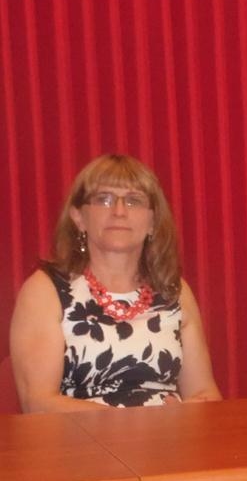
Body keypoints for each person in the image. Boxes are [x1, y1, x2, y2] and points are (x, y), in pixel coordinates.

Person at [10, 153, 222, 411]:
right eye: (104, 199)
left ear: (153, 222)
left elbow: (205, 394)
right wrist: (134, 424)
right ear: (78, 217)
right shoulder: (46, 290)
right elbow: (38, 403)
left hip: (169, 434)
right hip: (80, 435)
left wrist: (185, 416)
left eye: (134, 201)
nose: (119, 212)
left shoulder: (174, 290)